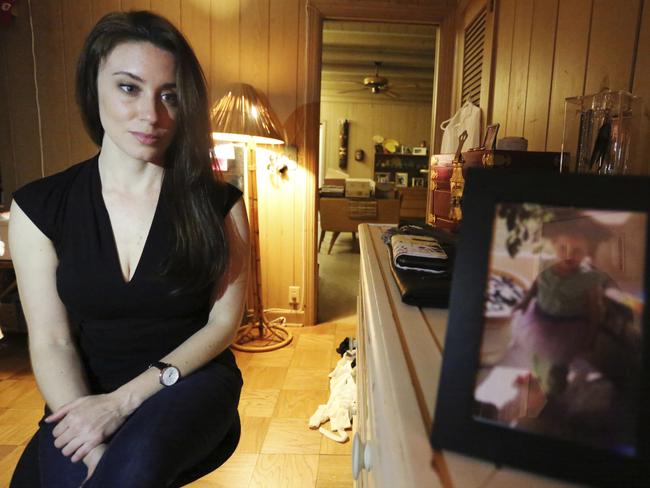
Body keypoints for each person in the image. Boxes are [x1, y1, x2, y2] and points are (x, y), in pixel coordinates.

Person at [9, 10, 249, 488]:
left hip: (188, 382)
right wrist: (96, 447)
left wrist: (125, 401)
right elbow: (51, 342)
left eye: (170, 96)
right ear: (92, 85)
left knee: (133, 467)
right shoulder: (38, 206)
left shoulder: (219, 203)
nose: (151, 115)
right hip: (83, 394)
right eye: (128, 87)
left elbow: (224, 324)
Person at [510, 211, 615, 397]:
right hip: (539, 320)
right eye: (563, 248)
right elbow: (537, 284)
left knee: (558, 362)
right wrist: (525, 302)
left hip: (567, 330)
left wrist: (591, 336)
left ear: (587, 253)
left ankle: (556, 389)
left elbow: (594, 310)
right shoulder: (546, 265)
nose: (569, 255)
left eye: (577, 251)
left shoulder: (588, 278)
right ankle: (538, 376)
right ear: (553, 245)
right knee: (538, 354)